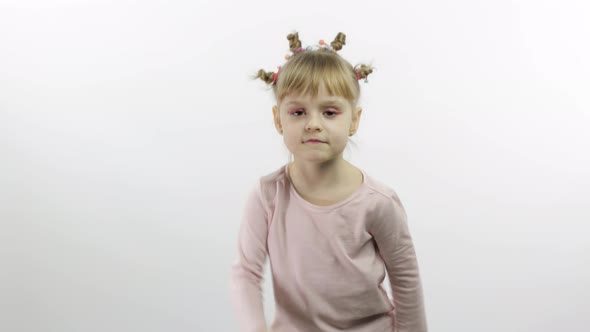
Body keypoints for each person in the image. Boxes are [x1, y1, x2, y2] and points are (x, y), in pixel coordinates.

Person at [230, 31, 427, 332]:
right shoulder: (267, 195)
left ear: (354, 120)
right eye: (298, 112)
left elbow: (406, 280)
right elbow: (246, 273)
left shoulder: (378, 202)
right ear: (278, 119)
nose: (313, 123)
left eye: (329, 112)